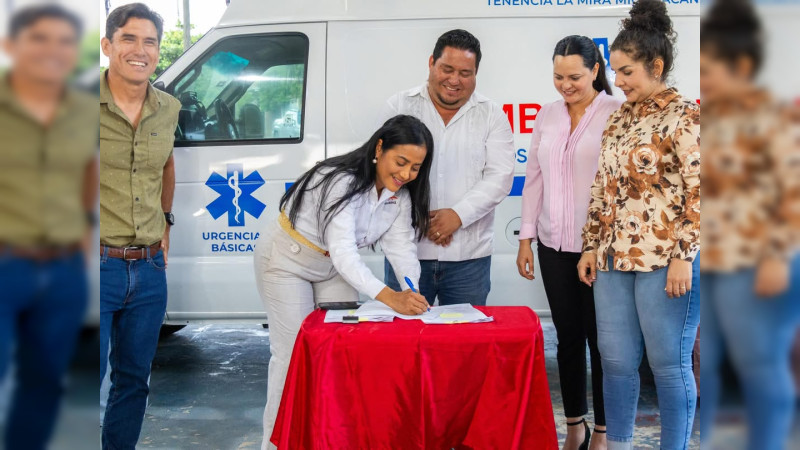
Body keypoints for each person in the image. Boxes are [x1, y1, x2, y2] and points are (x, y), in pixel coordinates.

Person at [254, 114, 434, 449]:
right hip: (286, 260)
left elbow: (401, 248)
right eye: (401, 162)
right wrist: (389, 297)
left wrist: (411, 289)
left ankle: (328, 439)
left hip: (332, 268)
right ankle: (275, 444)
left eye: (415, 167)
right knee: (293, 358)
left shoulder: (400, 196)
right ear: (379, 148)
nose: (407, 174)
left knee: (342, 352)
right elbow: (344, 252)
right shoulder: (340, 181)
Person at [576, 0, 701, 448]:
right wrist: (591, 245)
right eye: (616, 69)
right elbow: (601, 188)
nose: (618, 80)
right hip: (611, 261)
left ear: (657, 65)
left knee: (669, 366)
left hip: (664, 262)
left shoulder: (685, 115)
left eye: (627, 71)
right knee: (616, 364)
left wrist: (685, 257)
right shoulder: (618, 118)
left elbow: (702, 191)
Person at [699, 1, 800, 449]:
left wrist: (777, 258)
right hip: (719, 263)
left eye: (709, 70)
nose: (702, 79)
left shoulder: (773, 119)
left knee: (761, 364)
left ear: (741, 66)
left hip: (760, 263)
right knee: (718, 364)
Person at [517, 35, 621, 450]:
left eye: (574, 76)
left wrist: (600, 243)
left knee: (603, 340)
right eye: (558, 76)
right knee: (567, 335)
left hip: (599, 249)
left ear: (596, 70)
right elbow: (534, 181)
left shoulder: (615, 112)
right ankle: (574, 423)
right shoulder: (548, 114)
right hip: (552, 245)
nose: (565, 84)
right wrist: (526, 238)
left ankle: (604, 430)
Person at [0, 5, 97, 449]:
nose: (53, 50)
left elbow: (85, 173)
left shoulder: (81, 111)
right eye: (40, 38)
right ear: (11, 45)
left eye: (64, 41)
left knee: (44, 385)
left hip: (62, 273)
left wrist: (80, 237)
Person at [381, 29, 515, 306]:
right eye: (447, 69)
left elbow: (499, 177)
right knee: (404, 342)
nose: (454, 80)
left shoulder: (491, 114)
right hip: (407, 250)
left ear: (476, 73)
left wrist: (457, 215)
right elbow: (384, 172)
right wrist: (420, 218)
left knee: (465, 344)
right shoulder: (400, 106)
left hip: (468, 259)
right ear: (432, 63)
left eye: (465, 73)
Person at [99, 3, 181, 448]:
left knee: (133, 382)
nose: (140, 50)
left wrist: (166, 221)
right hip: (91, 264)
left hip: (149, 270)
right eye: (129, 38)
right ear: (108, 45)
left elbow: (166, 163)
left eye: (149, 41)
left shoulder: (168, 107)